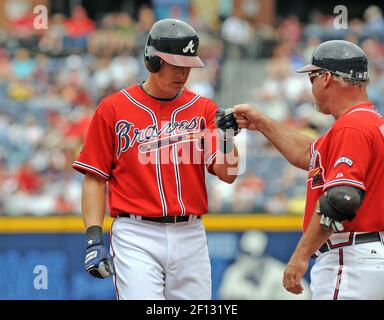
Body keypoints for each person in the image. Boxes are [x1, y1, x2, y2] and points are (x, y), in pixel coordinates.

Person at [72, 18, 240, 300]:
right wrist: (93, 238)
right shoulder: (113, 108)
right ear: (151, 60)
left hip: (190, 233)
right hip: (136, 233)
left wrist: (226, 139)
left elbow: (229, 173)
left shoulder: (204, 108)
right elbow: (94, 177)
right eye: (175, 65)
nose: (183, 73)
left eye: (187, 65)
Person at [233, 40, 384, 300]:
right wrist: (262, 123)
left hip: (350, 259)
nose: (310, 85)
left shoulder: (351, 128)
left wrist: (300, 255)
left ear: (325, 78)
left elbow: (341, 199)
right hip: (368, 254)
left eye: (312, 77)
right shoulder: (369, 122)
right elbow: (309, 154)